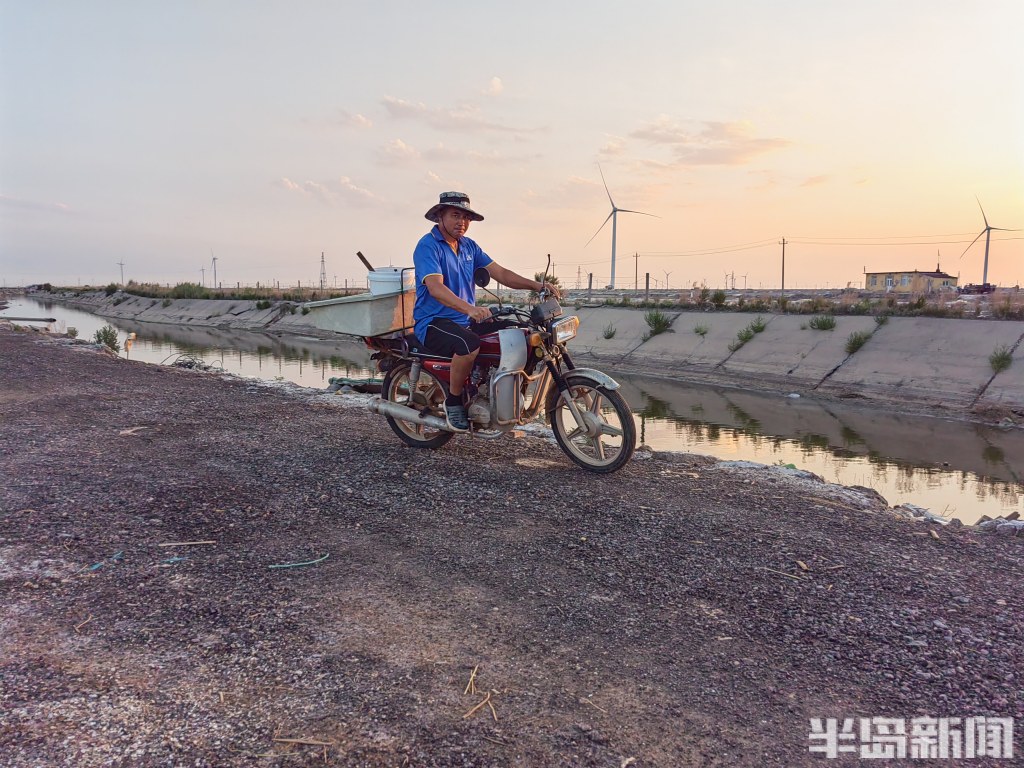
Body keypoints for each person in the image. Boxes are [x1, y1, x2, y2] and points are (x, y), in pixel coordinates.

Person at [413, 191, 561, 431]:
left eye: (466, 217)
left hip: (465, 318)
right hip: (433, 321)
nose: (462, 222)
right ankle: (453, 401)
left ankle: (507, 395)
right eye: (455, 215)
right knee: (469, 344)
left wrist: (537, 285)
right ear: (440, 216)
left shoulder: (469, 246)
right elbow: (435, 288)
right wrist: (470, 309)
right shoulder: (428, 246)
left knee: (520, 333)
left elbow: (501, 273)